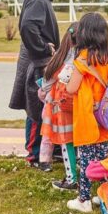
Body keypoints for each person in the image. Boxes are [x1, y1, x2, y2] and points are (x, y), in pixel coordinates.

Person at [9, 0, 61, 168]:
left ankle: (46, 150)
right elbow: (28, 26)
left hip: (38, 60)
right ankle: (34, 154)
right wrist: (44, 49)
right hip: (37, 62)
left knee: (41, 107)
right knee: (35, 107)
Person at [66, 12, 108, 213]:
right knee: (103, 157)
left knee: (86, 159)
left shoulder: (83, 59)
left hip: (88, 115)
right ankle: (103, 195)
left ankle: (84, 199)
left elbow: (71, 88)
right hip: (105, 116)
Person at [39, 22, 79, 191]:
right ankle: (86, 173)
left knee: (66, 142)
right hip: (80, 106)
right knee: (81, 142)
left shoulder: (58, 60)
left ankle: (71, 178)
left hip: (60, 108)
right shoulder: (85, 59)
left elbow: (46, 85)